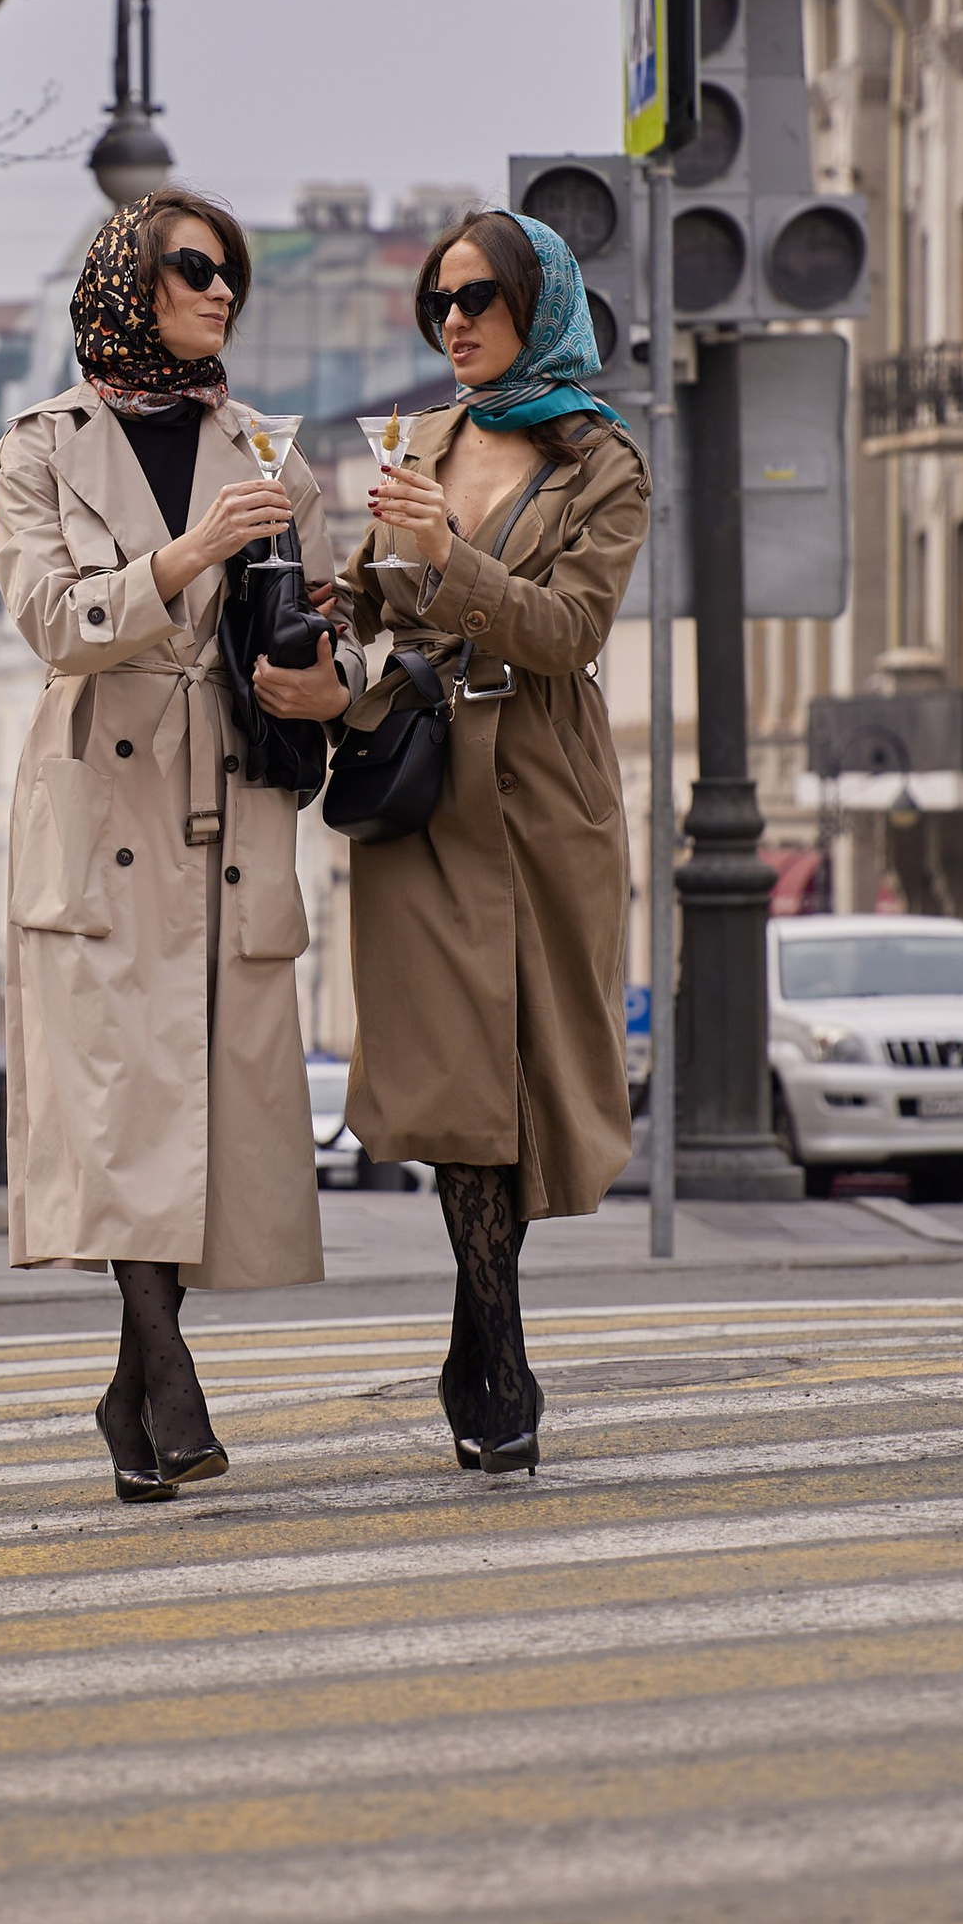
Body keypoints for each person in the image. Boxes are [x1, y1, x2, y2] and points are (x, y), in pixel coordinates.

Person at [0, 192, 355, 1500]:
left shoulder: (273, 452)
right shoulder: (38, 448)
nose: (220, 295)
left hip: (224, 815)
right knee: (119, 1108)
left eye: (231, 277)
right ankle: (168, 1377)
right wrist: (190, 553)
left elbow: (320, 616)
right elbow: (49, 618)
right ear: (126, 285)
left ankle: (130, 1393)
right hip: (99, 810)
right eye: (195, 271)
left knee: (200, 1111)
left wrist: (330, 678)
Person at [344, 207, 652, 1477]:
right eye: (440, 301)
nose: (454, 321)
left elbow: (568, 631)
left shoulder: (602, 464)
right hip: (422, 794)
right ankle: (502, 1342)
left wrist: (445, 552)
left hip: (540, 794)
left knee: (523, 1081)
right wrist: (312, 613)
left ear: (540, 305)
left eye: (478, 297)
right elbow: (364, 597)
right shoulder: (417, 438)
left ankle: (481, 1328)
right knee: (456, 1084)